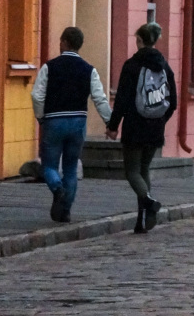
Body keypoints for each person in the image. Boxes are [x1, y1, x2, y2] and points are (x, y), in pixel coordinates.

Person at [31, 27, 112, 223]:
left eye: (60, 41)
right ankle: (65, 211)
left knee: (49, 165)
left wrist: (41, 117)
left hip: (54, 120)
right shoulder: (88, 69)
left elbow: (37, 95)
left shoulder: (49, 67)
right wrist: (110, 122)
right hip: (78, 122)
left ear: (65, 42)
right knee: (70, 167)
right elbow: (99, 99)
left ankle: (57, 189)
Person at [107, 22, 178, 234]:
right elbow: (172, 101)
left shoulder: (131, 66)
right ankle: (143, 220)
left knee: (131, 171)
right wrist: (160, 120)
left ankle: (148, 202)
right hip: (155, 127)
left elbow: (122, 99)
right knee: (144, 169)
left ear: (139, 40)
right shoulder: (165, 66)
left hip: (134, 126)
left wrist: (113, 126)